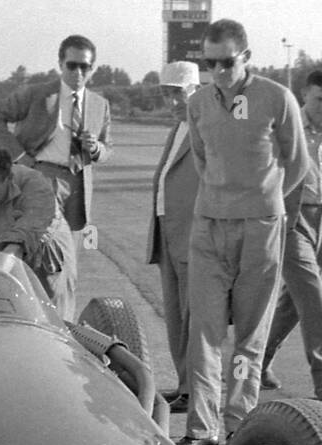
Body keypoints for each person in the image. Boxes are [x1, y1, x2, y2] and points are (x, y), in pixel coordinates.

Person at [179, 18, 309, 445]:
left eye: (227, 62)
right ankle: (201, 429)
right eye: (209, 62)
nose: (218, 71)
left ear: (247, 57)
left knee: (250, 335)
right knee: (204, 331)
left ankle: (236, 427)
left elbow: (297, 163)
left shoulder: (277, 98)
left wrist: (264, 200)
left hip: (261, 228)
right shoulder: (197, 103)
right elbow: (202, 159)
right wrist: (222, 198)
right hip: (208, 225)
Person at [0, 34, 111, 299]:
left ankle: (64, 320)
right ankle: (26, 308)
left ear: (92, 69)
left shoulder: (100, 105)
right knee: (38, 253)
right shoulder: (37, 94)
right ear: (60, 64)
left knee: (68, 261)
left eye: (84, 67)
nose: (78, 73)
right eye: (71, 65)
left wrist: (96, 148)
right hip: (41, 178)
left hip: (77, 186)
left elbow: (108, 147)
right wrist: (19, 157)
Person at [260, 69, 322, 402]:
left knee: (293, 303)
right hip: (291, 221)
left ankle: (259, 363)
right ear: (304, 95)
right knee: (312, 296)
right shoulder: (286, 126)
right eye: (319, 100)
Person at [0, 141, 75, 319]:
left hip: (43, 254)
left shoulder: (37, 185)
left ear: (8, 179)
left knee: (51, 316)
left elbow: (19, 242)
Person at [146, 61, 201, 413]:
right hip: (167, 229)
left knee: (194, 315)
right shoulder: (178, 127)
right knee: (176, 315)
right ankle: (184, 386)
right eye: (167, 94)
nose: (172, 102)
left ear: (194, 91)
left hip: (193, 233)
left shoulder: (206, 127)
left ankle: (197, 389)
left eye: (177, 94)